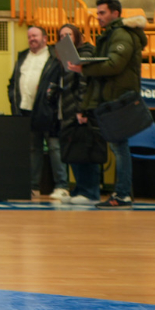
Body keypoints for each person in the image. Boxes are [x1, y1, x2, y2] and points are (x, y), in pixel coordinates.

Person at [67, 0, 148, 209]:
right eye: (98, 12)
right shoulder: (111, 34)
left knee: (120, 148)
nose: (98, 17)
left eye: (102, 12)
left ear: (116, 13)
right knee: (119, 148)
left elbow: (114, 65)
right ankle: (121, 194)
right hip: (113, 98)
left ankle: (122, 195)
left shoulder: (121, 34)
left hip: (119, 99)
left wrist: (84, 68)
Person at [8, 24, 69, 200]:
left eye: (35, 36)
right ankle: (33, 187)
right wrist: (14, 102)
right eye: (29, 37)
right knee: (33, 149)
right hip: (26, 110)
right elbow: (13, 83)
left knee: (54, 148)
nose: (31, 39)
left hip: (49, 111)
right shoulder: (22, 56)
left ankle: (62, 186)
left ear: (45, 38)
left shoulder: (55, 56)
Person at [51, 22, 105, 206]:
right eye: (61, 35)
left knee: (86, 152)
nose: (64, 38)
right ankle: (80, 189)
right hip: (68, 111)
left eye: (68, 35)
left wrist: (83, 110)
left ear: (77, 36)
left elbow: (85, 85)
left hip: (81, 111)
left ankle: (90, 192)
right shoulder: (64, 57)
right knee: (74, 152)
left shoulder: (85, 54)